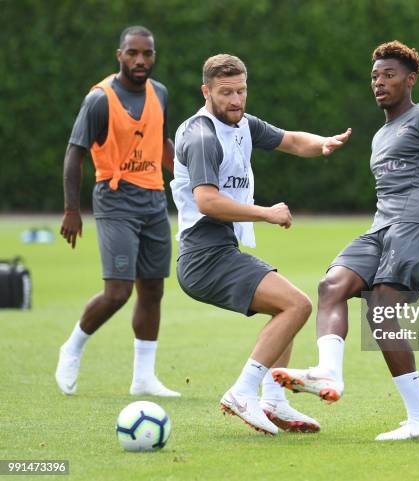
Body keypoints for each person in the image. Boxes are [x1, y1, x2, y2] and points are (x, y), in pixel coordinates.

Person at [272, 41, 419, 441]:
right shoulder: (381, 136)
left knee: (381, 305)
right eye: (375, 77)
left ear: (411, 79)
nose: (379, 83)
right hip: (382, 227)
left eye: (389, 75)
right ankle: (329, 372)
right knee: (332, 284)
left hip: (416, 225)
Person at [171, 54, 351, 435]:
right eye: (225, 93)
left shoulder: (244, 124)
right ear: (206, 91)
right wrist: (266, 213)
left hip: (220, 251)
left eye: (241, 90)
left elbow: (289, 140)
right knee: (296, 304)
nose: (236, 100)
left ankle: (272, 401)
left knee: (286, 308)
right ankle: (244, 392)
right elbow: (206, 201)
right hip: (204, 255)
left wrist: (322, 144)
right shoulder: (201, 136)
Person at [55, 26, 179, 398]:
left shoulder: (159, 93)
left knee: (153, 289)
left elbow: (162, 143)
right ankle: (72, 347)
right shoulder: (100, 99)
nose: (140, 60)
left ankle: (143, 378)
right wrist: (71, 210)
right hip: (115, 199)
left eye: (147, 53)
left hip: (154, 200)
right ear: (119, 55)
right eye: (132, 53)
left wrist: (191, 185)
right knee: (118, 291)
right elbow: (74, 154)